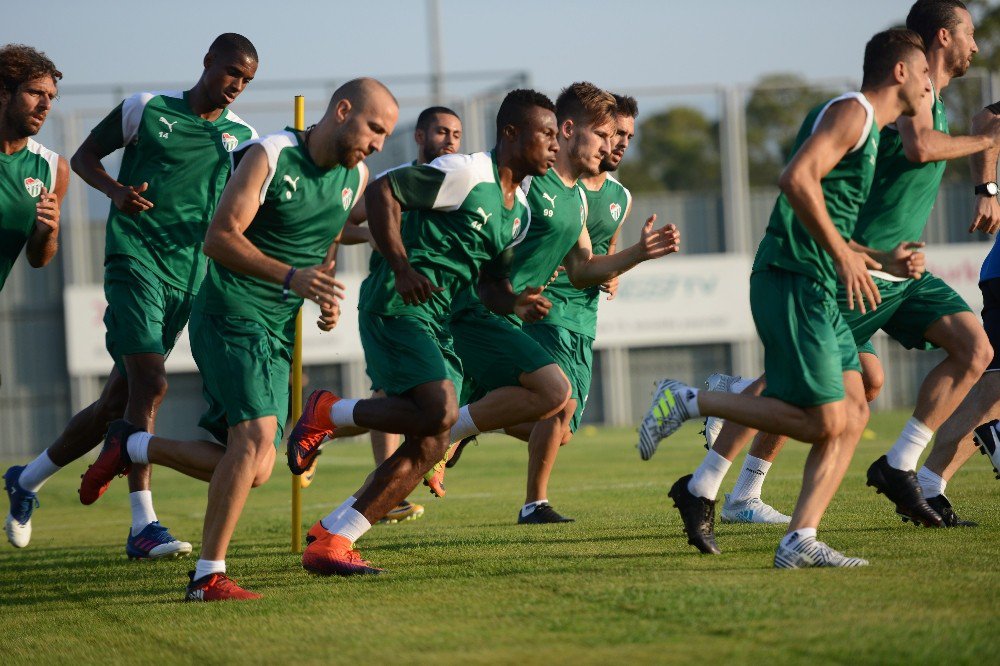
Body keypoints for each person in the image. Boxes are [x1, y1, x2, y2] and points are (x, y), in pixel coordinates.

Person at [78, 78, 398, 601]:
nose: (380, 143)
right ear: (343, 111)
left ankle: (131, 442)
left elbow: (328, 235)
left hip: (275, 329)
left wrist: (324, 288)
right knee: (251, 441)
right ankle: (207, 577)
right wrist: (292, 277)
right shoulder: (269, 154)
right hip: (229, 313)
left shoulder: (354, 176)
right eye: (375, 128)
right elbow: (219, 238)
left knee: (257, 468)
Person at [691, 0, 995, 532]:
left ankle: (901, 466)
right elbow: (923, 146)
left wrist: (984, 183)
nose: (976, 45)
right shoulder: (912, 101)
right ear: (943, 38)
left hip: (896, 273)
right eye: (969, 34)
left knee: (969, 348)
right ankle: (716, 479)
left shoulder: (932, 98)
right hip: (857, 270)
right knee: (796, 386)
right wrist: (989, 145)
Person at [639, 29, 931, 567]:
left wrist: (873, 258)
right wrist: (844, 258)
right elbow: (794, 178)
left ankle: (801, 539)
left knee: (855, 409)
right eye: (926, 74)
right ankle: (689, 400)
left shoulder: (861, 125)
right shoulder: (855, 113)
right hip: (794, 278)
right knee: (823, 422)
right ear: (900, 73)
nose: (932, 85)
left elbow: (825, 214)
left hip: (815, 279)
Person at [286, 88, 566, 575]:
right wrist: (400, 267)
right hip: (396, 305)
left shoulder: (517, 209)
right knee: (439, 412)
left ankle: (334, 538)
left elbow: (491, 286)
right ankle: (327, 411)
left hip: (439, 319)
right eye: (546, 134)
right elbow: (382, 192)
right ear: (511, 133)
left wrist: (518, 303)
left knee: (433, 439)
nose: (555, 145)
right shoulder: (464, 172)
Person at [4, 35, 258, 556]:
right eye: (232, 71)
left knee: (117, 402)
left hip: (189, 279)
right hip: (133, 260)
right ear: (208, 61)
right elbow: (83, 158)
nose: (237, 85)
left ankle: (26, 478)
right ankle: (143, 524)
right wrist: (116, 192)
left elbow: (244, 209)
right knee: (152, 380)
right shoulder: (148, 109)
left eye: (247, 80)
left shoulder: (241, 138)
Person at [346, 105, 464, 525]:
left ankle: (416, 461)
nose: (449, 141)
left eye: (456, 134)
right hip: (392, 307)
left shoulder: (459, 183)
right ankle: (387, 482)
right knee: (389, 394)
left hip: (440, 309)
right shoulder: (392, 181)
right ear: (419, 136)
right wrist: (375, 236)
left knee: (451, 391)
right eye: (440, 132)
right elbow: (345, 223)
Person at [0, 44, 69, 548]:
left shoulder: (50, 168)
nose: (45, 106)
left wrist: (49, 228)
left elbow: (40, 258)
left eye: (51, 97)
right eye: (33, 94)